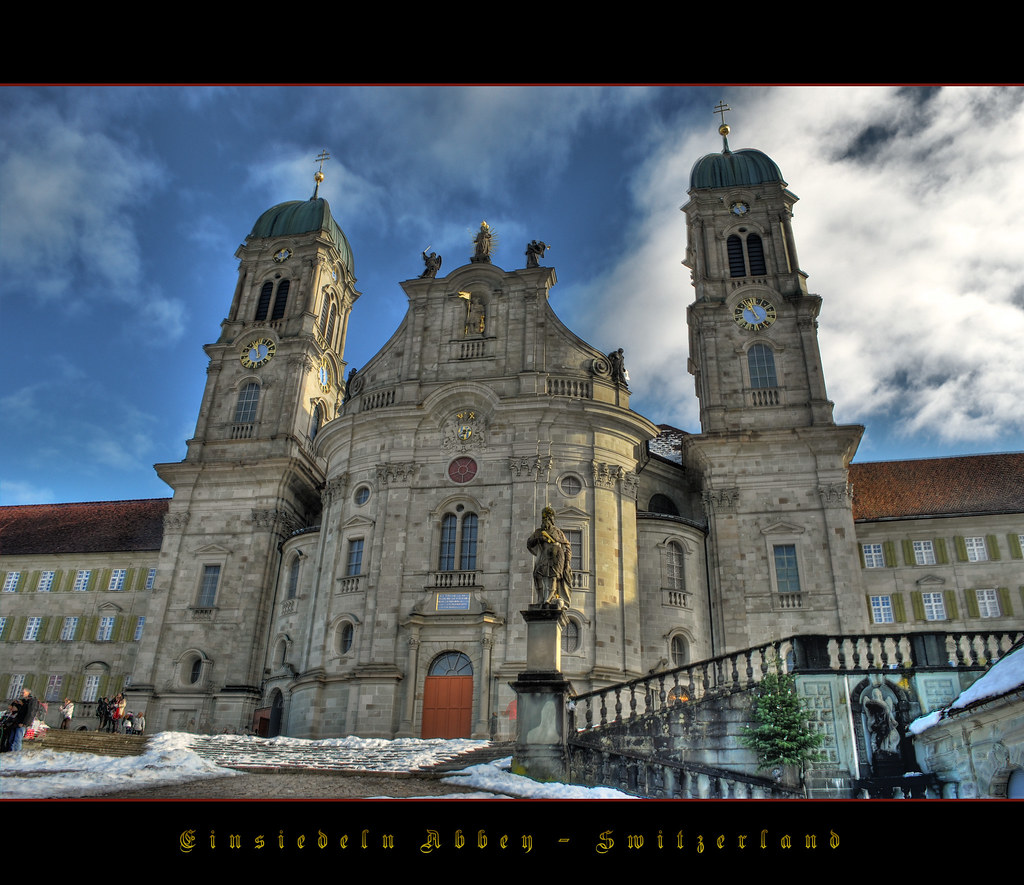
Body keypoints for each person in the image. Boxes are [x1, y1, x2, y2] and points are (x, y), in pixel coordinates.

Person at [526, 506, 574, 607]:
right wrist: (539, 539)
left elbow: (567, 546)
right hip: (543, 557)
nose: (545, 521)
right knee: (537, 575)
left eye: (547, 519)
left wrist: (567, 562)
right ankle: (540, 598)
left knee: (553, 576)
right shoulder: (538, 532)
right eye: (543, 519)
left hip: (556, 557)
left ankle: (549, 598)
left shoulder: (558, 532)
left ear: (551, 520)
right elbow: (529, 543)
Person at [10, 688, 38, 752]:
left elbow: (31, 713)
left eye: (23, 692)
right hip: (17, 722)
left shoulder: (32, 701)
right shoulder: (23, 701)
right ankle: (11, 752)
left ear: (28, 693)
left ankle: (16, 753)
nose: (22, 694)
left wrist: (25, 723)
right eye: (21, 692)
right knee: (12, 739)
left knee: (18, 739)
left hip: (22, 723)